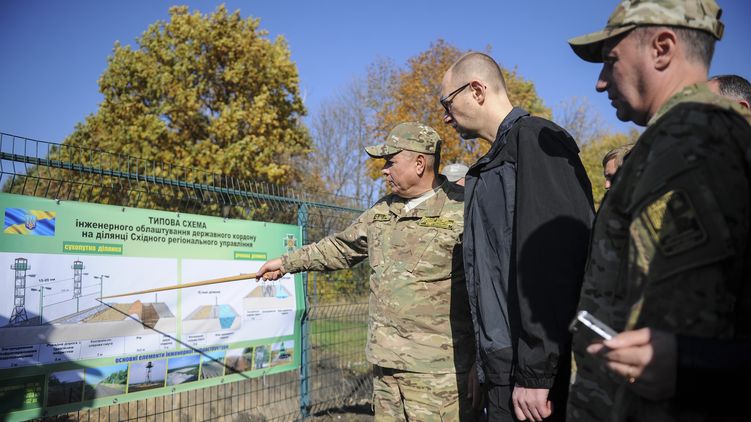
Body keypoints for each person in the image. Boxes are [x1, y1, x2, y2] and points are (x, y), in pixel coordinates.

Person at [567, 0, 751, 420]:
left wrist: (695, 363)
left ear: (662, 48)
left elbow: (687, 323)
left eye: (610, 60)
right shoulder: (670, 143)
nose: (600, 82)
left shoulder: (695, 142)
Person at [256, 122, 477, 421]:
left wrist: (484, 362)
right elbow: (339, 247)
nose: (384, 170)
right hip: (385, 368)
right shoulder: (382, 211)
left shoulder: (463, 209)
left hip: (438, 374)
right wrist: (287, 263)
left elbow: (489, 290)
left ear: (420, 163)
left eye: (390, 161)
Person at [440, 52, 594, 422]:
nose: (446, 116)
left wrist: (536, 373)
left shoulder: (538, 142)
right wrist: (485, 367)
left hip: (531, 379)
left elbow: (556, 262)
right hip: (503, 369)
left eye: (447, 103)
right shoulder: (490, 164)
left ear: (476, 90)